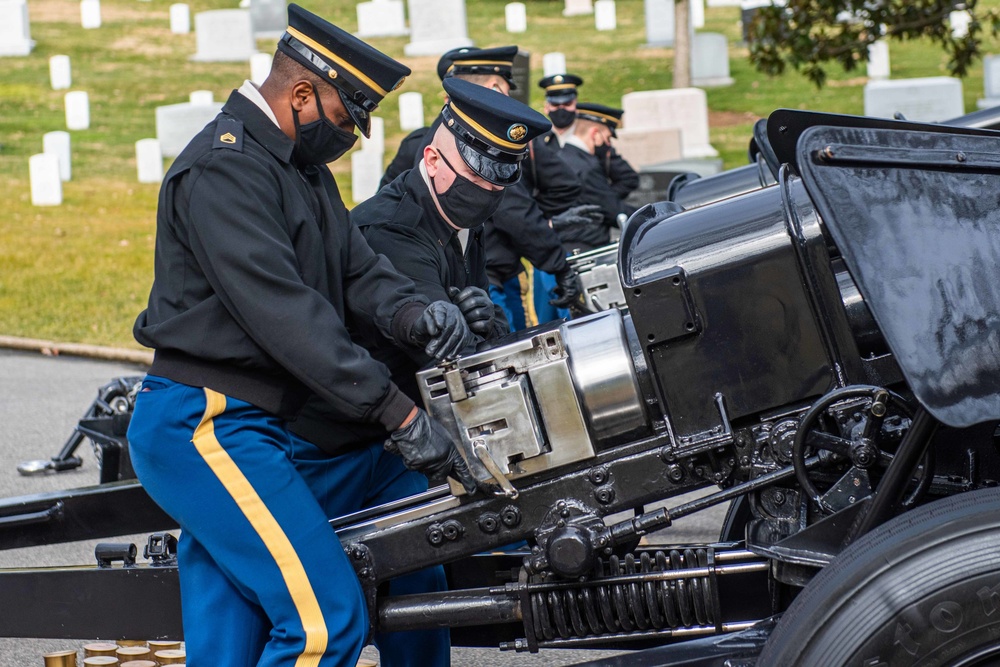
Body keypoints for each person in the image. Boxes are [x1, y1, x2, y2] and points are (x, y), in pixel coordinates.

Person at [126, 6, 478, 666]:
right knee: (322, 623)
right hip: (204, 418)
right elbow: (289, 318)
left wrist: (410, 313)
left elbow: (358, 272)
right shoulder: (224, 170)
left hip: (254, 424)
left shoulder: (298, 170)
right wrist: (396, 412)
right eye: (349, 118)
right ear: (301, 94)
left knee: (234, 639)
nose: (355, 138)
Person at [379, 46, 586, 330]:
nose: (486, 188)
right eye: (505, 91)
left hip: (467, 281)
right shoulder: (480, 144)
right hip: (473, 286)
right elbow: (516, 213)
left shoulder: (426, 139)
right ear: (494, 88)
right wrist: (558, 265)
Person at [379, 45, 519, 189]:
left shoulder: (418, 141)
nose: (507, 98)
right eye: (506, 92)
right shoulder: (491, 149)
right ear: (494, 88)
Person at [538, 72, 639, 199]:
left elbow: (628, 178)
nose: (561, 109)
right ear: (547, 107)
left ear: (576, 104)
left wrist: (602, 200)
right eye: (556, 105)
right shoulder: (539, 141)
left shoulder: (592, 138)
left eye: (567, 104)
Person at [555, 102, 638, 253]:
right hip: (582, 246)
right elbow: (613, 210)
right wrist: (653, 217)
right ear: (594, 134)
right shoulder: (586, 166)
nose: (608, 143)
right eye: (607, 137)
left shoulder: (564, 156)